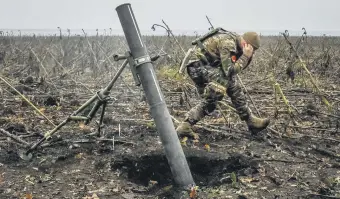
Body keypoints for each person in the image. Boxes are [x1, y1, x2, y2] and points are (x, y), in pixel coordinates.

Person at [176, 28, 270, 139]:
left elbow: (231, 69)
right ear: (246, 44)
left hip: (208, 65)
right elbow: (229, 70)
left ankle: (250, 120)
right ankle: (186, 125)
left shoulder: (236, 42)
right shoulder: (228, 43)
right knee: (217, 91)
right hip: (197, 66)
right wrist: (245, 56)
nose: (252, 52)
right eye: (252, 50)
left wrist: (246, 57)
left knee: (233, 84)